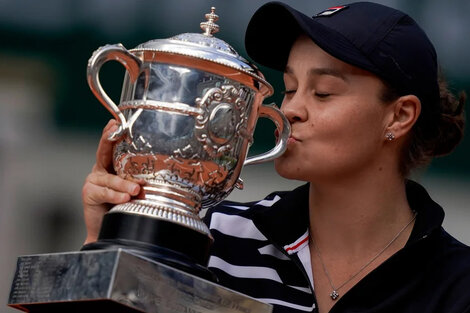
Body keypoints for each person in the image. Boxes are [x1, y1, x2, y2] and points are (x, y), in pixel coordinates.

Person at [82, 2, 470, 313]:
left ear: (399, 115)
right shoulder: (213, 236)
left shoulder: (457, 286)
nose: (291, 110)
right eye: (288, 88)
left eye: (323, 93)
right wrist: (110, 243)